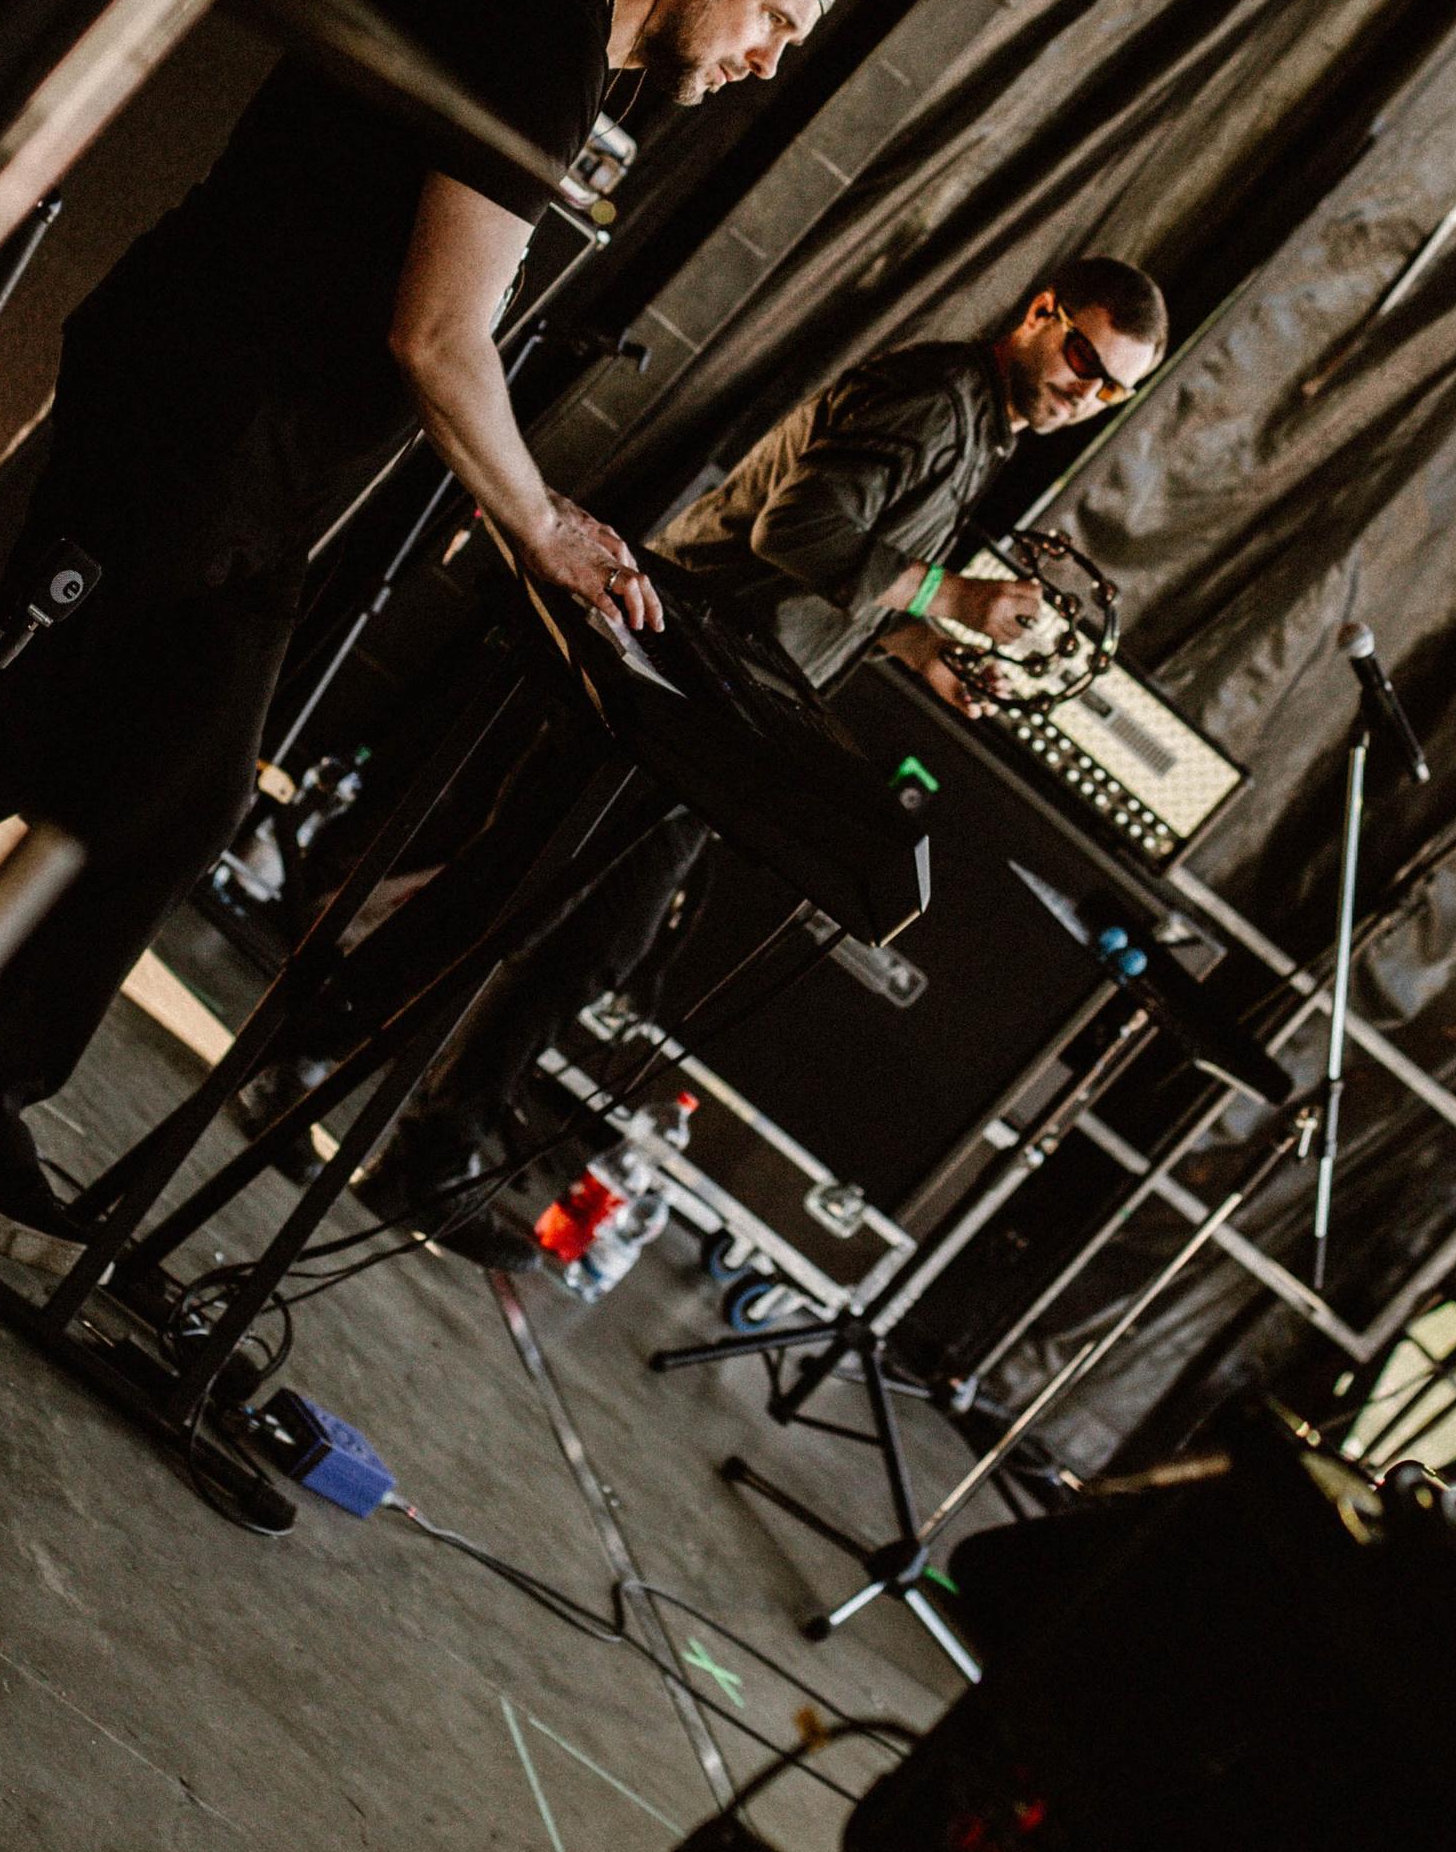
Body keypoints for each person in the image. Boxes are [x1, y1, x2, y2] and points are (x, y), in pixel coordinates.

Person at [0, 0, 845, 1244]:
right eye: (776, 20)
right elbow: (437, 335)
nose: (769, 64)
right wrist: (538, 525)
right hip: (202, 418)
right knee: (60, 741)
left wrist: (523, 495)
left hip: (246, 445)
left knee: (138, 768)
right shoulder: (538, 25)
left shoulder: (550, 20)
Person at [362, 255, 1169, 1228]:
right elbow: (797, 530)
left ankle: (429, 1146)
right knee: (513, 893)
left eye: (1111, 389)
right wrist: (952, 596)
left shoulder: (980, 431)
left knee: (581, 934)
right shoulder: (937, 398)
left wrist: (922, 647)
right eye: (1083, 356)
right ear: (1041, 314)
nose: (1087, 392)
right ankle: (333, 1071)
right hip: (679, 677)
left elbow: (852, 572)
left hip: (715, 710)